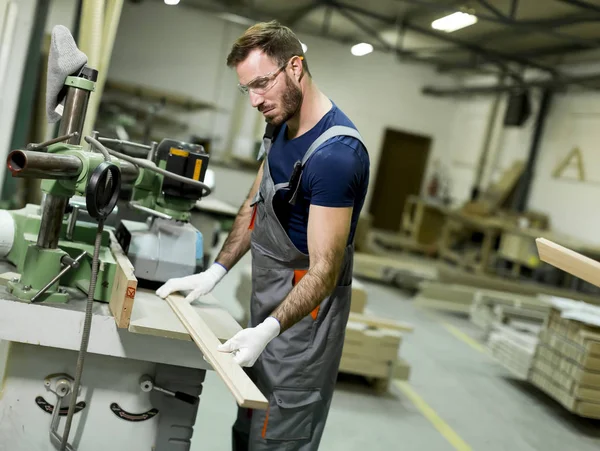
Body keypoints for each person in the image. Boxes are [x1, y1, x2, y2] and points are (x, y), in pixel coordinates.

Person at [156, 20, 370, 450]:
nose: (254, 101)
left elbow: (325, 271)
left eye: (261, 85)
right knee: (248, 429)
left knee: (277, 439)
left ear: (295, 67)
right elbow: (254, 206)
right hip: (267, 312)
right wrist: (214, 272)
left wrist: (268, 329)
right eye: (245, 90)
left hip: (303, 333)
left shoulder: (335, 156)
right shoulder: (279, 122)